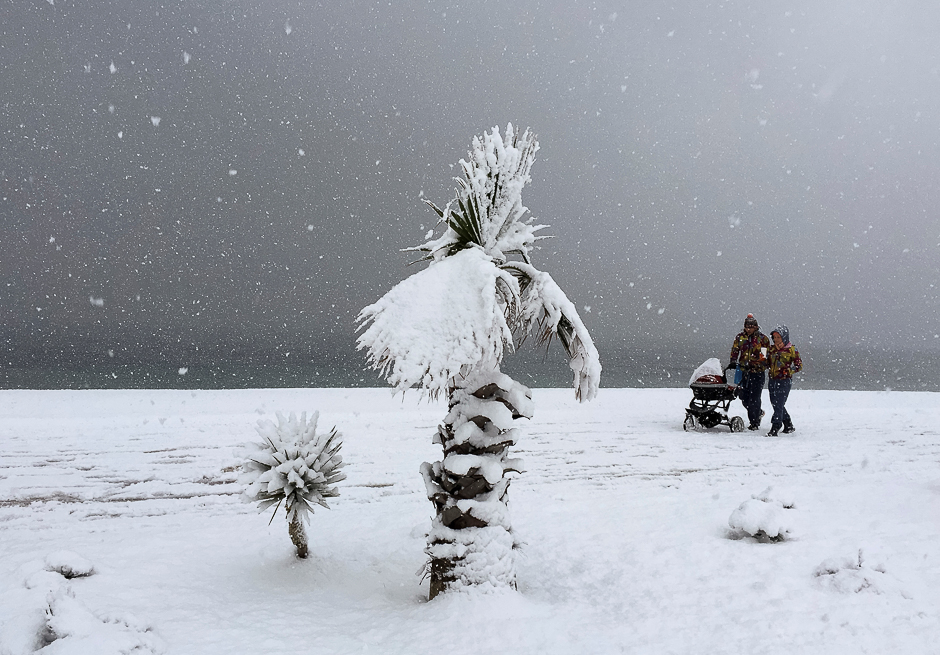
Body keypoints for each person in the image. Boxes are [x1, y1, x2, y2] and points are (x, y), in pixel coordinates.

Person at [728, 314, 770, 430]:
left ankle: (754, 422)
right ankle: (758, 412)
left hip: (757, 372)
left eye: (751, 327)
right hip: (743, 372)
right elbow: (735, 350)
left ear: (756, 327)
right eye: (747, 326)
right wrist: (733, 361)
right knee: (743, 397)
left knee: (754, 398)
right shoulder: (740, 337)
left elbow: (764, 356)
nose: (748, 329)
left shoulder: (763, 339)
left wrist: (756, 363)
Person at [766, 325, 803, 436]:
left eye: (778, 337)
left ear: (784, 337)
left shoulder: (792, 350)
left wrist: (788, 371)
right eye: (774, 337)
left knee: (779, 403)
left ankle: (775, 426)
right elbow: (767, 362)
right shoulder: (771, 349)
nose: (776, 339)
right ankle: (788, 424)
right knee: (775, 403)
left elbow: (799, 365)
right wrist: (763, 361)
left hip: (784, 381)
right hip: (772, 380)